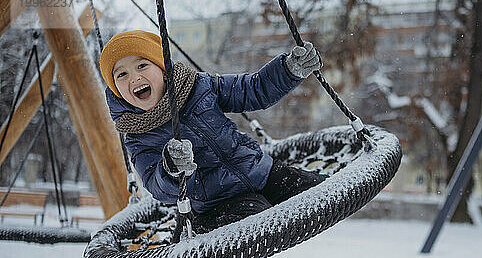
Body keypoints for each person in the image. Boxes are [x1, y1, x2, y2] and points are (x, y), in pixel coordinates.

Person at [100, 30, 326, 232]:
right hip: (217, 202)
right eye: (122, 75)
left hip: (262, 172)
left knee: (321, 192)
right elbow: (156, 185)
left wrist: (288, 71)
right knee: (258, 221)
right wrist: (171, 170)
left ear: (163, 69)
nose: (135, 77)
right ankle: (206, 226)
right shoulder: (137, 134)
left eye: (142, 65)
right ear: (116, 90)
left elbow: (251, 90)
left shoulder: (199, 86)